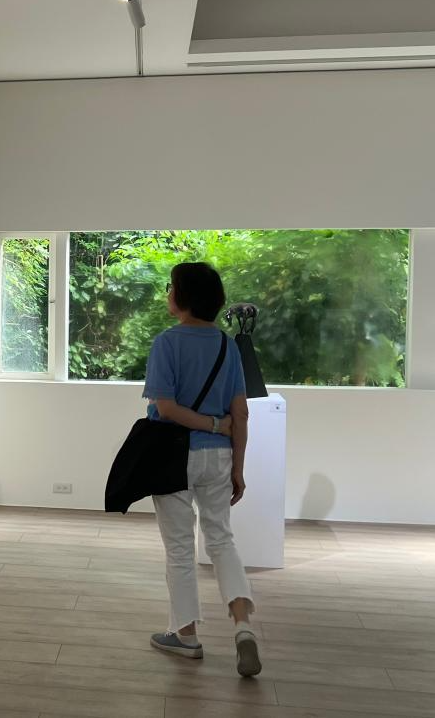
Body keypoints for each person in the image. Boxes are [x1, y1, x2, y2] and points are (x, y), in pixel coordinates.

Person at [143, 262, 260, 677]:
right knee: (222, 540)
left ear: (182, 297)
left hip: (174, 455)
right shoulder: (228, 346)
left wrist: (208, 424)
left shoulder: (166, 343)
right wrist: (238, 468)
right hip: (218, 457)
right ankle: (243, 626)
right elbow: (240, 413)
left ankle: (186, 636)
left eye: (170, 286)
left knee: (179, 548)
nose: (167, 293)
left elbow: (165, 408)